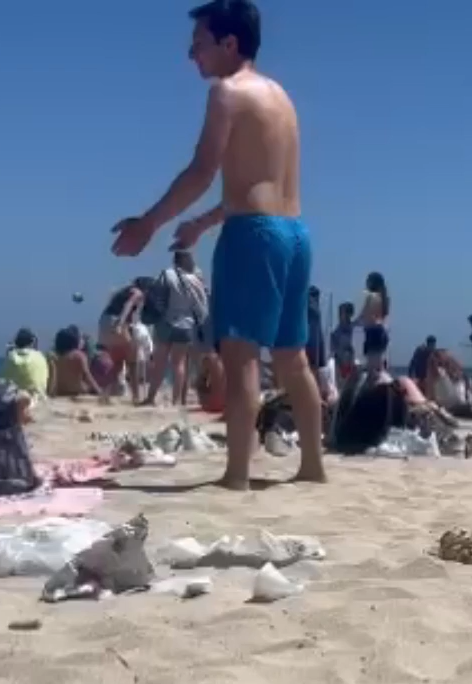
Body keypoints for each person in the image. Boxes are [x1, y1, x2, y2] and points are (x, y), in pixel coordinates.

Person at [109, 0, 325, 487]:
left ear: (229, 43)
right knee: (293, 358)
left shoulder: (228, 93)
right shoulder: (281, 98)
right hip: (294, 233)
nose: (191, 55)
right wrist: (202, 225)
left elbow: (203, 171)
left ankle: (238, 475)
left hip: (254, 237)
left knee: (241, 355)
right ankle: (312, 466)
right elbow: (258, 184)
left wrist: (149, 223)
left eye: (199, 43)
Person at [143, 249, 208, 407]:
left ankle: (151, 398)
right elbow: (201, 305)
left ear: (175, 260)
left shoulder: (166, 274)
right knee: (179, 363)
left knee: (160, 362)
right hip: (186, 324)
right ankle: (176, 400)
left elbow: (155, 294)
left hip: (166, 322)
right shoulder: (195, 280)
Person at [51, 326, 106, 400]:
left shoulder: (55, 358)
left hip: (60, 393)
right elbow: (88, 377)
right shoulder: (79, 356)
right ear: (74, 341)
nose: (83, 341)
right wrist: (99, 391)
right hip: (77, 392)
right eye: (81, 338)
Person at [2, 328, 51, 399]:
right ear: (31, 342)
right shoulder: (40, 356)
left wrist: (8, 354)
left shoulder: (12, 356)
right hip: (40, 396)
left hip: (19, 398)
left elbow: (4, 381)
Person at [358, 271, 390, 373]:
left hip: (372, 333)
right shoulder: (385, 298)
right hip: (381, 333)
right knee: (379, 368)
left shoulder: (371, 296)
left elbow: (364, 315)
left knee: (372, 370)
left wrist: (352, 323)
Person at [329, 301, 357, 387]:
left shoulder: (356, 330)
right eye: (341, 313)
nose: (341, 315)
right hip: (340, 366)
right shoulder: (335, 333)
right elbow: (332, 351)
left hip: (353, 364)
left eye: (344, 313)